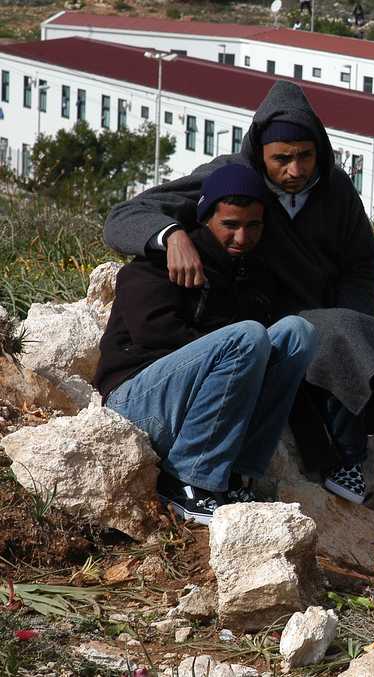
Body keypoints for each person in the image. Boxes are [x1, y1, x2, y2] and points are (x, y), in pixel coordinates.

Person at [103, 81, 374, 555]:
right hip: (273, 333)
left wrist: (351, 325)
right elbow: (129, 214)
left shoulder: (334, 190)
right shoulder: (233, 180)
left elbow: (361, 265)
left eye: (305, 156)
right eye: (281, 158)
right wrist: (170, 236)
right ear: (259, 154)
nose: (294, 170)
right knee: (303, 334)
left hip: (331, 328)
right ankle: (330, 459)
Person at [93, 164, 319, 525]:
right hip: (135, 403)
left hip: (201, 406)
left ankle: (234, 478)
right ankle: (185, 480)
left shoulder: (254, 274)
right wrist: (229, 350)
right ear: (206, 219)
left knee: (297, 333)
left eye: (253, 225)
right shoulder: (159, 263)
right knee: (248, 337)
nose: (242, 238)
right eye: (230, 225)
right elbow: (155, 337)